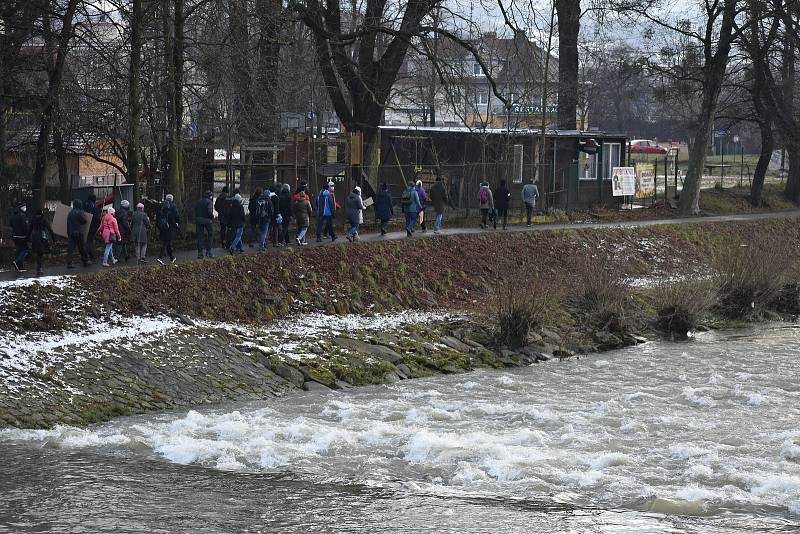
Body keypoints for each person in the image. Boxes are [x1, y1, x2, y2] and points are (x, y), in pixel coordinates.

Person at [27, 209, 52, 277]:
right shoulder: (43, 219)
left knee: (38, 253)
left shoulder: (33, 219)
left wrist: (28, 238)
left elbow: (30, 229)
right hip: (41, 237)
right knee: (40, 253)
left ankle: (38, 267)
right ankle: (39, 268)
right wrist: (53, 238)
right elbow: (49, 228)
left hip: (34, 237)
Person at [66, 199, 90, 269]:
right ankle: (85, 261)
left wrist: (68, 232)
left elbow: (68, 223)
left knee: (71, 249)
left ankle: (69, 263)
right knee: (82, 248)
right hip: (79, 233)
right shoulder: (80, 212)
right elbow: (84, 221)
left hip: (71, 233)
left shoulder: (70, 213)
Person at [157, 193, 179, 264]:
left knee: (168, 242)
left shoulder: (161, 205)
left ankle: (172, 257)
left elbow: (158, 215)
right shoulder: (173, 205)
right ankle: (160, 257)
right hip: (169, 226)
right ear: (172, 199)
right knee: (166, 242)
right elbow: (176, 215)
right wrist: (177, 223)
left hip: (162, 226)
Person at [11, 203, 30, 273]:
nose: (25, 208)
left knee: (19, 251)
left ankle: (19, 267)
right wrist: (28, 236)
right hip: (22, 236)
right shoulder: (23, 216)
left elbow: (11, 224)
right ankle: (16, 261)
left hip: (15, 236)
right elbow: (25, 227)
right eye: (24, 207)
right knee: (25, 250)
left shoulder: (13, 216)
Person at [195, 190, 214, 258]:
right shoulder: (209, 202)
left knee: (200, 236)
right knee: (210, 234)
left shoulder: (199, 201)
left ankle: (200, 253)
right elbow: (209, 211)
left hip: (199, 220)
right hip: (207, 221)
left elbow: (195, 209)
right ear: (209, 196)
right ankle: (208, 251)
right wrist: (212, 217)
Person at [83, 193, 99, 261]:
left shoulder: (83, 204)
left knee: (86, 241)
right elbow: (96, 218)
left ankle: (89, 255)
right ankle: (87, 256)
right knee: (89, 241)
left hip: (83, 226)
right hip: (92, 227)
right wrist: (97, 227)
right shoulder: (94, 206)